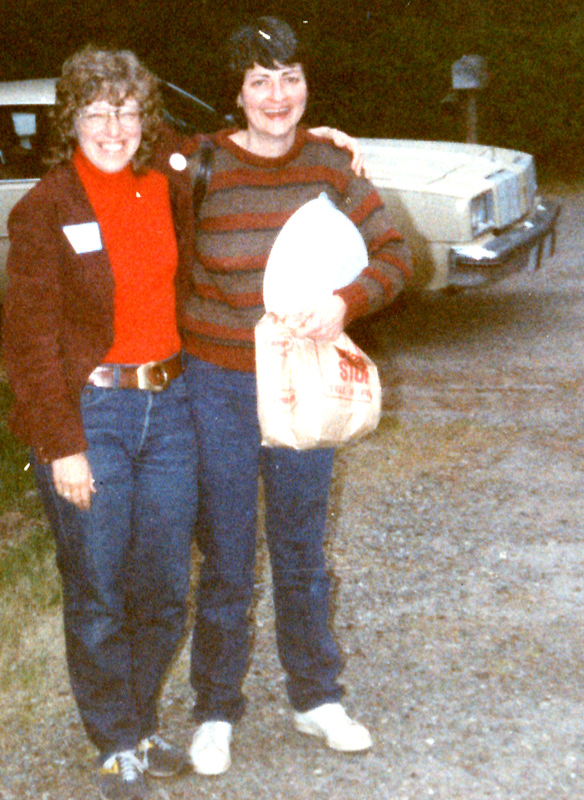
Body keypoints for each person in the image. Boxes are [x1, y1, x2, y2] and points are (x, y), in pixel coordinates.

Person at [178, 17, 414, 776]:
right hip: (217, 382)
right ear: (236, 91)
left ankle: (317, 698)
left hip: (305, 377)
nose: (276, 96)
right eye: (259, 79)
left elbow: (395, 255)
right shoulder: (199, 164)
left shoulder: (331, 164)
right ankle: (215, 710)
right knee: (227, 556)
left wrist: (347, 304)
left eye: (290, 77)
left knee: (302, 548)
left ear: (307, 84)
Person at [2, 46, 197, 800]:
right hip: (94, 413)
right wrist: (63, 447)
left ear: (144, 116)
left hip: (170, 408)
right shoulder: (44, 208)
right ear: (70, 118)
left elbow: (239, 146)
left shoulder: (164, 182)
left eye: (127, 109)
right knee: (98, 585)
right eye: (96, 109)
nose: (113, 126)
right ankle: (116, 739)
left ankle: (141, 722)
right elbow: (30, 342)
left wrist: (329, 139)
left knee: (165, 586)